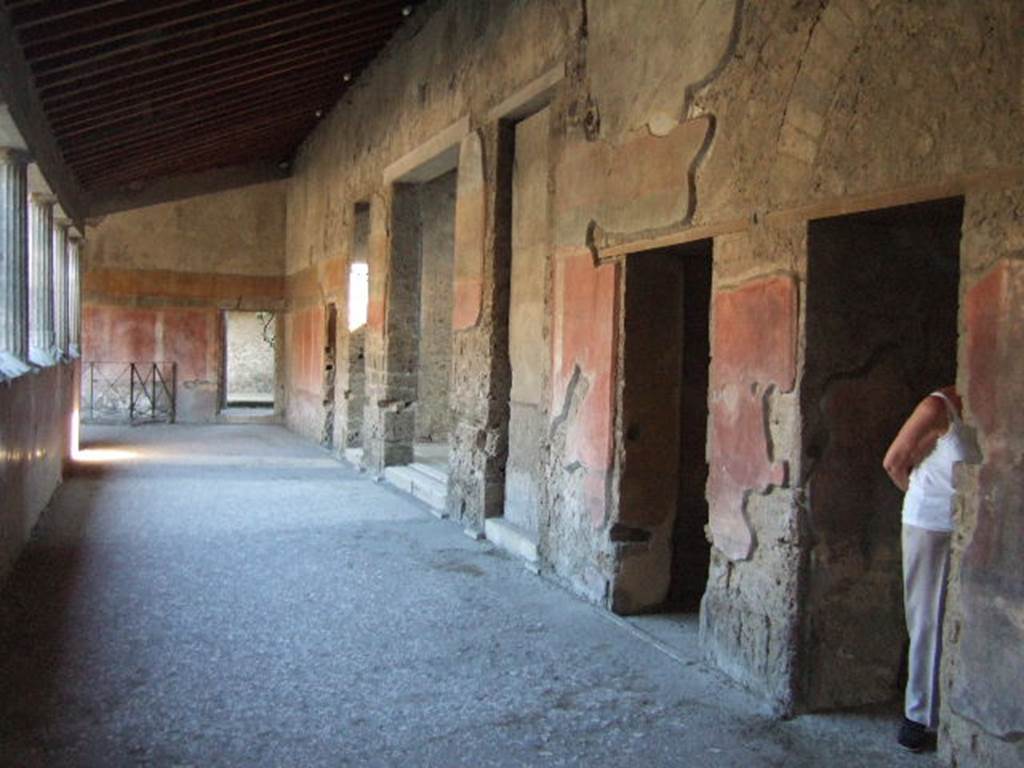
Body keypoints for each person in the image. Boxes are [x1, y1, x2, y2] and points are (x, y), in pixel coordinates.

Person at [883, 386, 970, 752]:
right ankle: (919, 718)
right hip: (929, 524)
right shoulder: (936, 406)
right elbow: (893, 462)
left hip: (967, 527)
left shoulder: (989, 404)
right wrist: (920, 495)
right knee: (928, 618)